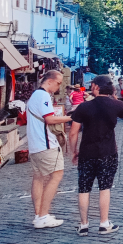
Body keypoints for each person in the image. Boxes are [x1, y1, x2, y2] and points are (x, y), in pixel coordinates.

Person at [69, 75, 123, 235]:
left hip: (87, 152)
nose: (90, 87)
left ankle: (84, 225)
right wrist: (113, 96)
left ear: (97, 87)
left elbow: (73, 133)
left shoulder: (83, 107)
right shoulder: (117, 105)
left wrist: (74, 151)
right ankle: (104, 223)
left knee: (84, 188)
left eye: (92, 85)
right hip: (108, 152)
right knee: (105, 188)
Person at [27, 70, 73, 229]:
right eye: (59, 82)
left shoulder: (35, 95)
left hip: (35, 145)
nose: (59, 86)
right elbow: (50, 119)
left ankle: (39, 214)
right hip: (45, 144)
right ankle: (43, 215)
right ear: (50, 81)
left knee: (38, 178)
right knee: (56, 175)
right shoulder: (43, 95)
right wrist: (71, 118)